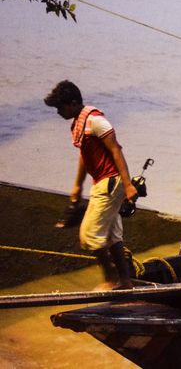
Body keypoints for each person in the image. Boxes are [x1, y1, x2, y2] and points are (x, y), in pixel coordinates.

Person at [44, 80, 138, 290]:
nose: (59, 112)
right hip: (102, 183)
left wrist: (128, 184)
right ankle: (125, 281)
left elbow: (116, 150)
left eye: (61, 107)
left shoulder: (96, 121)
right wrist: (77, 185)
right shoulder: (79, 124)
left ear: (74, 102)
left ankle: (110, 279)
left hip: (111, 182)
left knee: (89, 235)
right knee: (112, 235)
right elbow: (85, 156)